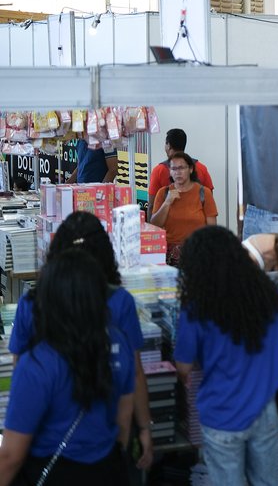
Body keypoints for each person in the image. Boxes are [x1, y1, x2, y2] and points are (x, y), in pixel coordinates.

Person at [7, 211, 153, 472]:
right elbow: (134, 375)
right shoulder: (120, 301)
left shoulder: (31, 303)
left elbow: (19, 369)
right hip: (103, 442)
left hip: (43, 444)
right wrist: (144, 428)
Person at [174, 226, 278, 486]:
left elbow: (183, 366)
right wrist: (272, 339)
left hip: (220, 413)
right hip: (265, 409)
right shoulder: (264, 291)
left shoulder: (195, 306)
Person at [0, 249, 135, 485]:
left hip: (53, 472)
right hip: (108, 469)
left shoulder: (37, 363)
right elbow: (124, 420)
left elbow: (11, 456)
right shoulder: (117, 343)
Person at [149, 151, 218, 265]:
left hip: (197, 252)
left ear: (190, 169)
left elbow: (212, 229)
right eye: (174, 169)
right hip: (168, 256)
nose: (178, 172)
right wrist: (167, 203)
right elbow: (155, 224)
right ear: (170, 172)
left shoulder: (204, 193)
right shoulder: (163, 193)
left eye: (181, 168)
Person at [148, 128, 214, 213]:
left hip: (168, 224)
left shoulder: (159, 171)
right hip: (197, 223)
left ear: (168, 146)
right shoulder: (201, 168)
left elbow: (151, 205)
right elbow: (209, 202)